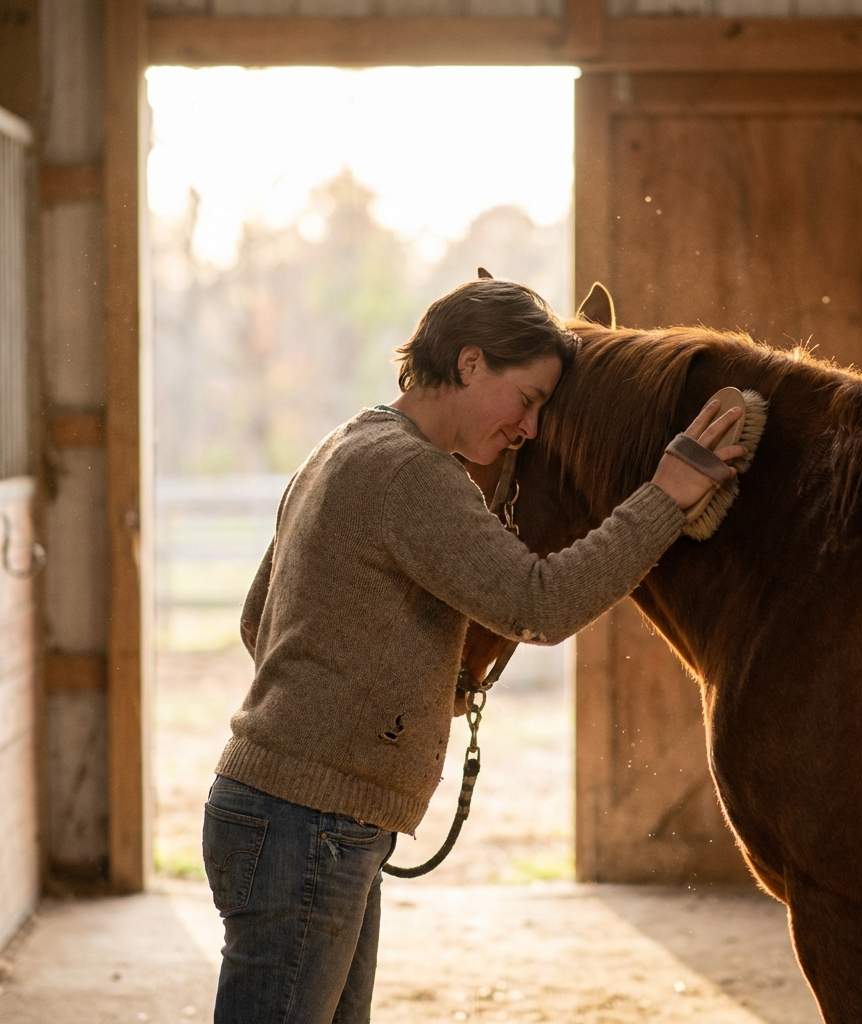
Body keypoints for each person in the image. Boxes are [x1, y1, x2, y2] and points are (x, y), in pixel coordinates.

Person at [202, 277, 745, 1024]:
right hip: (310, 823)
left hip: (296, 813)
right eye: (526, 399)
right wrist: (664, 495)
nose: (527, 428)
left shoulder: (346, 443)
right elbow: (538, 603)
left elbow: (257, 619)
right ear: (469, 364)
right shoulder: (413, 472)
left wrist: (397, 684)